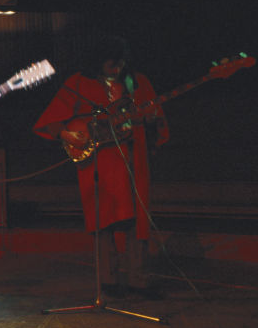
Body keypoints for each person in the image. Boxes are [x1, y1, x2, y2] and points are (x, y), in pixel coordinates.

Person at [33, 35, 168, 297]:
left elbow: (158, 122)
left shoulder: (137, 83)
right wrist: (67, 134)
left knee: (136, 220)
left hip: (133, 159)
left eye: (120, 62)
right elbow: (52, 121)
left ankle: (138, 280)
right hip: (99, 163)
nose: (116, 67)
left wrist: (153, 121)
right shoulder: (79, 84)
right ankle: (107, 280)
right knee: (102, 220)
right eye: (110, 61)